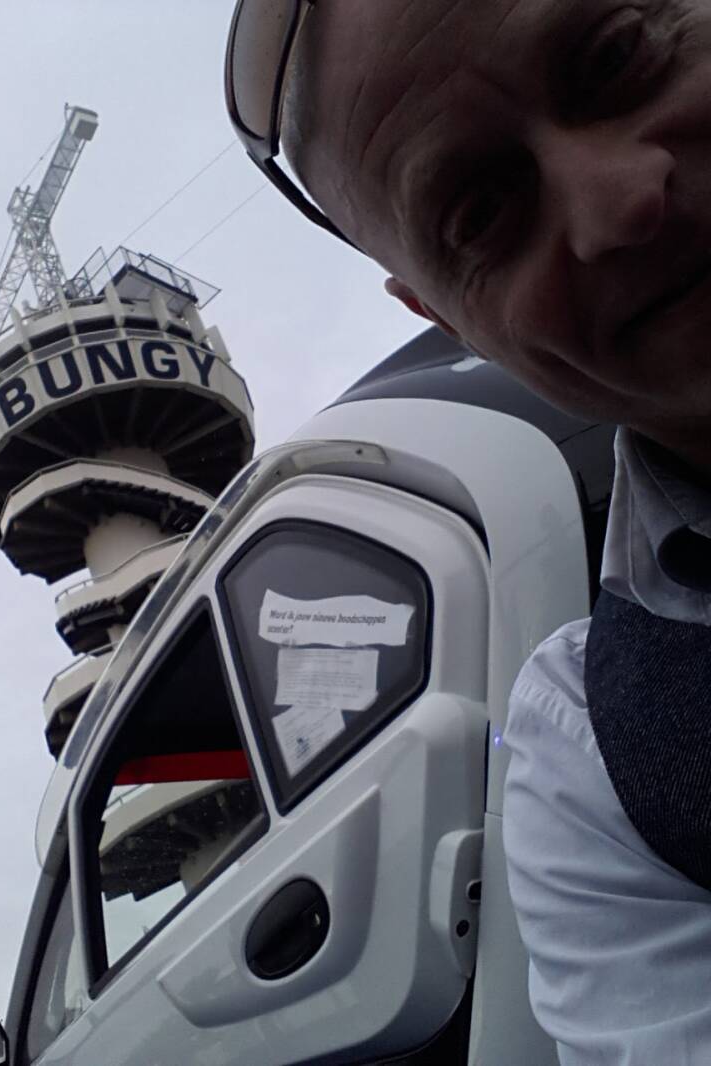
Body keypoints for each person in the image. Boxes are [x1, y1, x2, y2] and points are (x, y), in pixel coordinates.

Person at [225, 3, 711, 1064]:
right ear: (444, 318)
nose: (623, 203)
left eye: (620, 58)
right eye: (483, 215)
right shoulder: (596, 760)